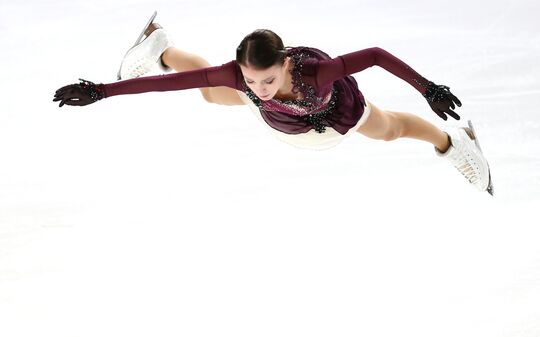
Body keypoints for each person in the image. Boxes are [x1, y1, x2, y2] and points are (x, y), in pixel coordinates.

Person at [52, 15, 493, 195]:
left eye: (267, 79)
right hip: (284, 120)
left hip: (332, 110)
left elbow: (375, 55)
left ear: (284, 65)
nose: (259, 87)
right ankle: (159, 48)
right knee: (208, 91)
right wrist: (102, 92)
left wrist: (427, 86)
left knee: (390, 129)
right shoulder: (242, 79)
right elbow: (174, 87)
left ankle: (455, 143)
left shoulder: (319, 74)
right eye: (250, 79)